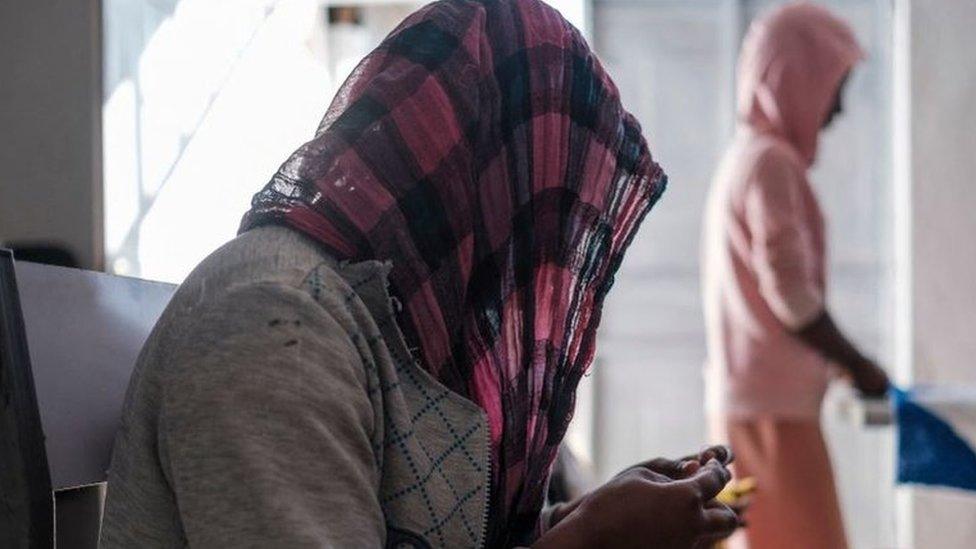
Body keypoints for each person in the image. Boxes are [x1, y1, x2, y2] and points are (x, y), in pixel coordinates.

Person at [101, 0, 741, 547]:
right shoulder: (273, 328)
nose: (542, 269)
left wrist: (564, 523)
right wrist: (587, 544)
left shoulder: (396, 328)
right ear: (483, 181)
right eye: (541, 214)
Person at [701, 3, 890, 549]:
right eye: (832, 88)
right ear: (794, 80)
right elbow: (789, 295)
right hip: (773, 412)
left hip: (751, 401)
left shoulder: (746, 157)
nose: (837, 111)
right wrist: (859, 363)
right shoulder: (770, 164)